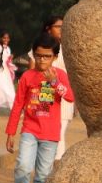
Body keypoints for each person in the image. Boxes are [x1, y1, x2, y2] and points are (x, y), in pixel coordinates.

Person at [6, 32, 75, 183]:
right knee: (22, 167)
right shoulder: (27, 76)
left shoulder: (60, 75)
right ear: (33, 55)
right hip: (30, 129)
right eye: (38, 55)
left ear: (54, 57)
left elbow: (70, 97)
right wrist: (10, 132)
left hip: (50, 134)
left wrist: (54, 82)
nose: (42, 60)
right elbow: (18, 104)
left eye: (46, 56)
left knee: (43, 174)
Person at [28, 15, 75, 160]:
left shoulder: (68, 47)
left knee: (59, 135)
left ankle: (54, 170)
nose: (61, 29)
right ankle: (47, 172)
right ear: (49, 29)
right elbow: (32, 73)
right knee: (46, 136)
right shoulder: (39, 48)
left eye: (63, 26)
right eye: (58, 27)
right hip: (44, 96)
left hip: (63, 96)